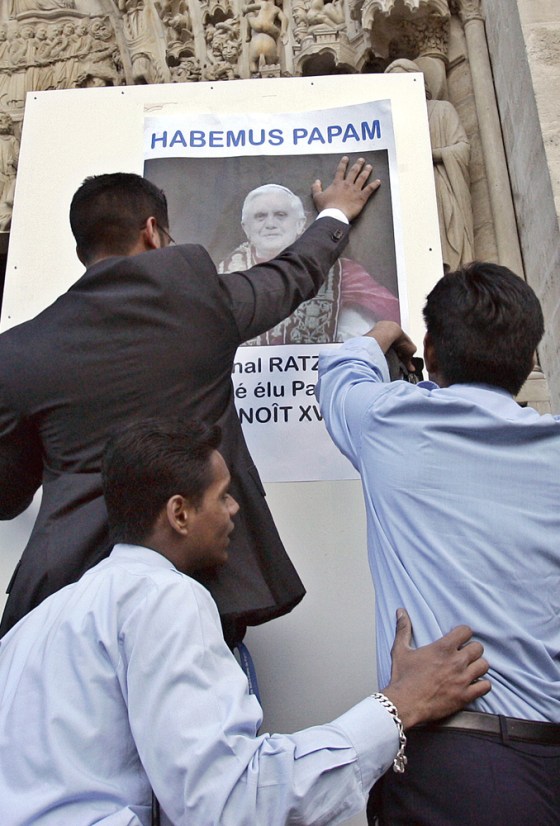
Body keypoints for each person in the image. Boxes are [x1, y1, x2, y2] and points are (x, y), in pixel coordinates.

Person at [0, 416, 491, 825]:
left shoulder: (35, 625)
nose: (235, 509)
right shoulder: (163, 598)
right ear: (180, 514)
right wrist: (397, 706)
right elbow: (229, 801)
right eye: (223, 495)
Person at [0, 156, 378, 647]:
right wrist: (335, 215)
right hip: (201, 597)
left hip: (67, 613)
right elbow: (290, 276)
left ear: (84, 248)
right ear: (153, 232)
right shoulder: (202, 301)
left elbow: (8, 496)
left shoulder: (20, 352)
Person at [316, 261, 560, 825]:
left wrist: (383, 335)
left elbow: (338, 373)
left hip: (450, 763)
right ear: (529, 360)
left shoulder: (388, 421)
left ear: (431, 346)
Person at [219, 182, 400, 344]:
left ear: (300, 224)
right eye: (260, 216)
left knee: (358, 321)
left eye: (280, 215)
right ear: (246, 227)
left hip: (320, 375)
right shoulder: (221, 273)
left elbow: (394, 313)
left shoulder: (341, 271)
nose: (270, 224)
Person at [385, 59, 474, 272]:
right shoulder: (387, 121)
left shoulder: (441, 110)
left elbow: (462, 147)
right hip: (404, 190)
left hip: (439, 185)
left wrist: (431, 154)